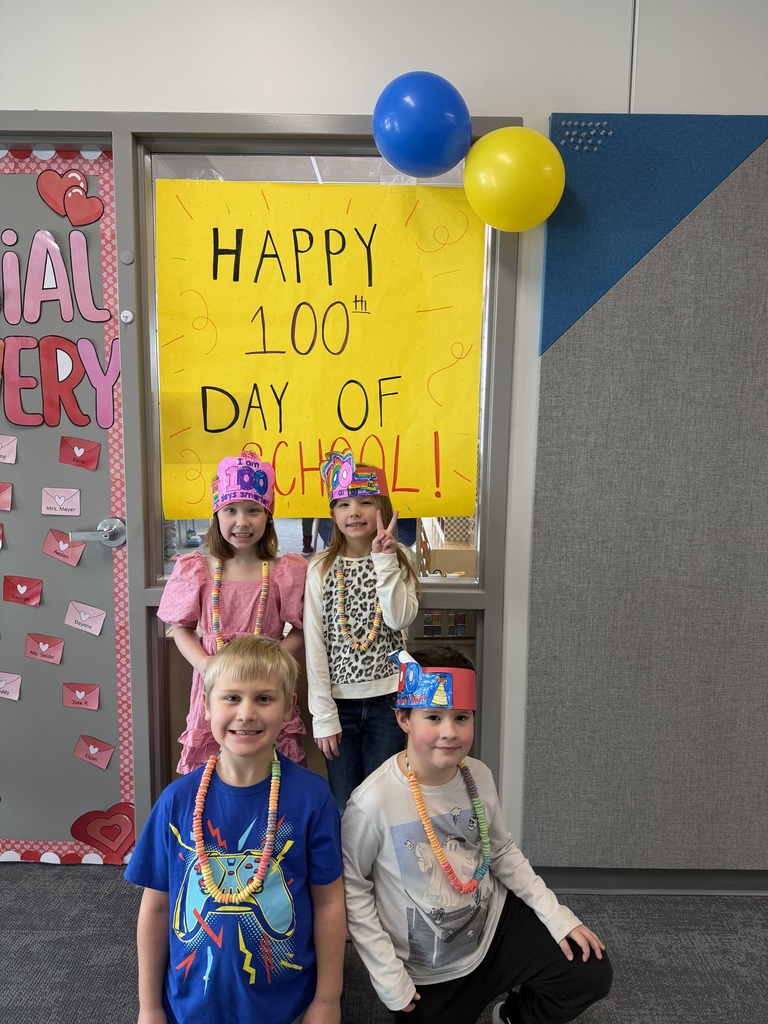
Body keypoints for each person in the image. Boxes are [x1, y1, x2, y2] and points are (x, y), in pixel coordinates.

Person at [341, 646, 613, 1024]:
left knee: (590, 971)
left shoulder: (477, 776)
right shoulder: (372, 802)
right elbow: (353, 888)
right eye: (433, 717)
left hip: (493, 926)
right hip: (430, 963)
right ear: (403, 718)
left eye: (462, 717)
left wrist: (557, 916)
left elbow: (500, 850)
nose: (449, 732)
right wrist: (388, 976)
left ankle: (511, 1014)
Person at [125, 635, 346, 1024]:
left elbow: (328, 902)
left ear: (288, 709)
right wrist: (149, 1007)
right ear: (206, 707)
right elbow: (156, 908)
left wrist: (328, 1000)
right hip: (190, 1006)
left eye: (264, 698)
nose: (246, 713)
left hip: (286, 1005)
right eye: (231, 698)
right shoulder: (176, 801)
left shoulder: (312, 797)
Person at [158, 450, 308, 773]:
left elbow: (301, 629)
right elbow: (181, 628)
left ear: (267, 516)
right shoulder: (198, 569)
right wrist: (205, 663)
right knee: (212, 773)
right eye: (231, 510)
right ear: (217, 515)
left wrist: (275, 659)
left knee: (270, 770)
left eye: (254, 510)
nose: (242, 521)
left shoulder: (283, 571)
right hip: (216, 691)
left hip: (266, 686)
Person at [304, 449, 420, 813]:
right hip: (340, 705)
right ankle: (348, 872)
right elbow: (314, 645)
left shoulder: (401, 558)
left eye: (365, 502)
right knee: (345, 803)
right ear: (332, 513)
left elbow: (400, 619)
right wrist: (323, 715)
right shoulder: (320, 568)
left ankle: (381, 872)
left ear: (381, 507)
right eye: (343, 503)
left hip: (389, 700)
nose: (353, 512)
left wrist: (384, 560)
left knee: (384, 801)